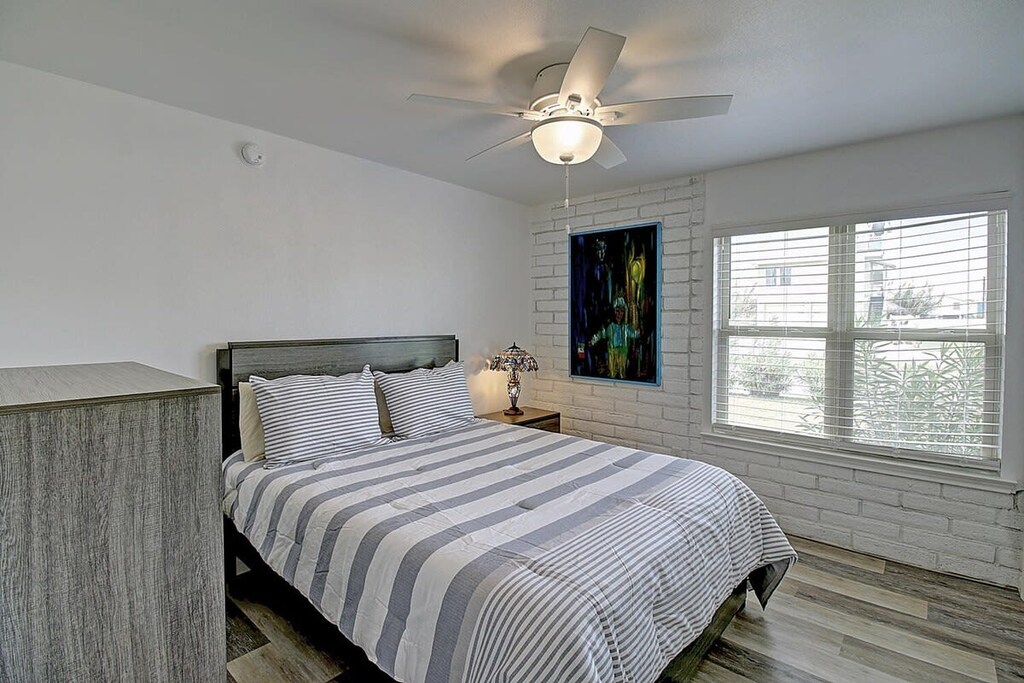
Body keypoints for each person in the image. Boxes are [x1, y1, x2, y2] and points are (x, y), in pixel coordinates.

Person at [589, 297, 638, 379]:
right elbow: (601, 334)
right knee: (612, 373)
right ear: (614, 312)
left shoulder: (625, 327)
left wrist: (638, 331)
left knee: (622, 373)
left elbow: (634, 334)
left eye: (622, 311)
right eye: (617, 311)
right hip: (612, 352)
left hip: (623, 352)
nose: (619, 314)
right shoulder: (611, 327)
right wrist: (593, 341)